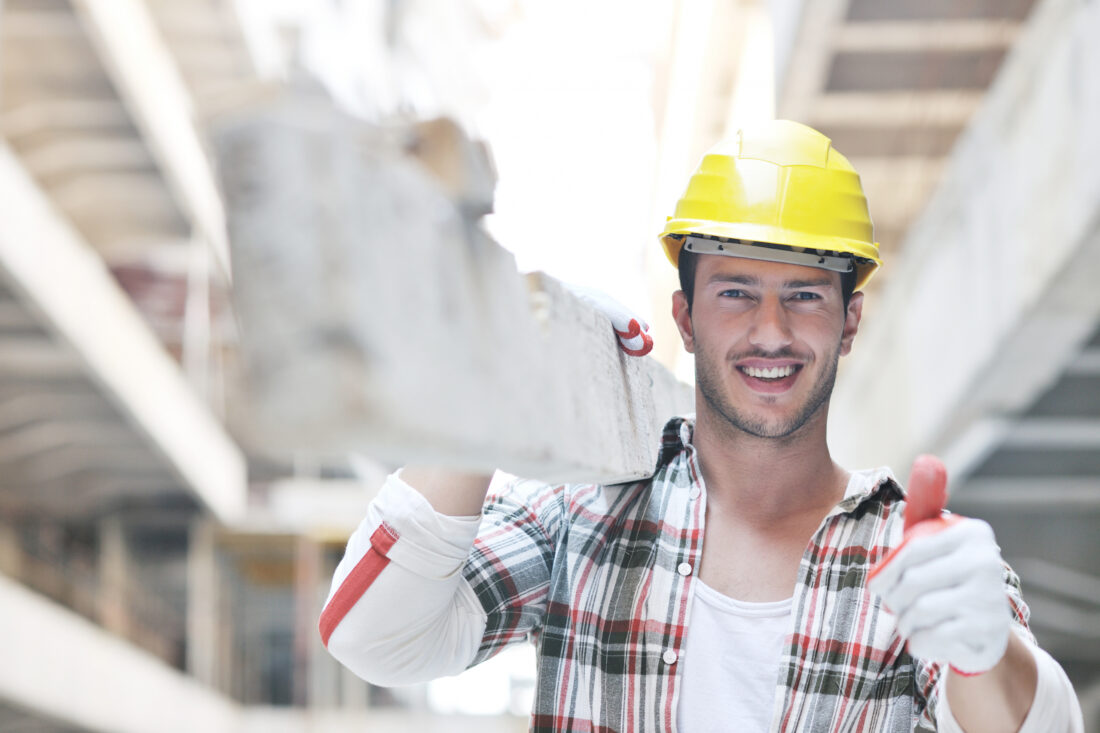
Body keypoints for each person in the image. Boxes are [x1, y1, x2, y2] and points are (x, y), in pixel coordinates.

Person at [319, 120, 1084, 731]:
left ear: (851, 320)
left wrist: (986, 654)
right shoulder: (586, 512)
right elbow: (377, 635)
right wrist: (494, 388)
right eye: (736, 292)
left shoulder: (911, 560)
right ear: (684, 316)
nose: (771, 330)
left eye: (807, 295)